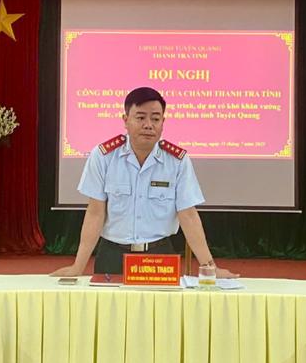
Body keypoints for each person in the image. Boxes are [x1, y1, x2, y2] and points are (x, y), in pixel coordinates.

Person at [50, 86, 235, 278]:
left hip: (159, 256)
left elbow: (188, 215)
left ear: (163, 122)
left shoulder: (177, 161)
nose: (148, 125)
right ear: (125, 120)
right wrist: (77, 267)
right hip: (112, 255)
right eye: (140, 118)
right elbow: (95, 213)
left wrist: (210, 268)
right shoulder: (103, 156)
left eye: (155, 119)